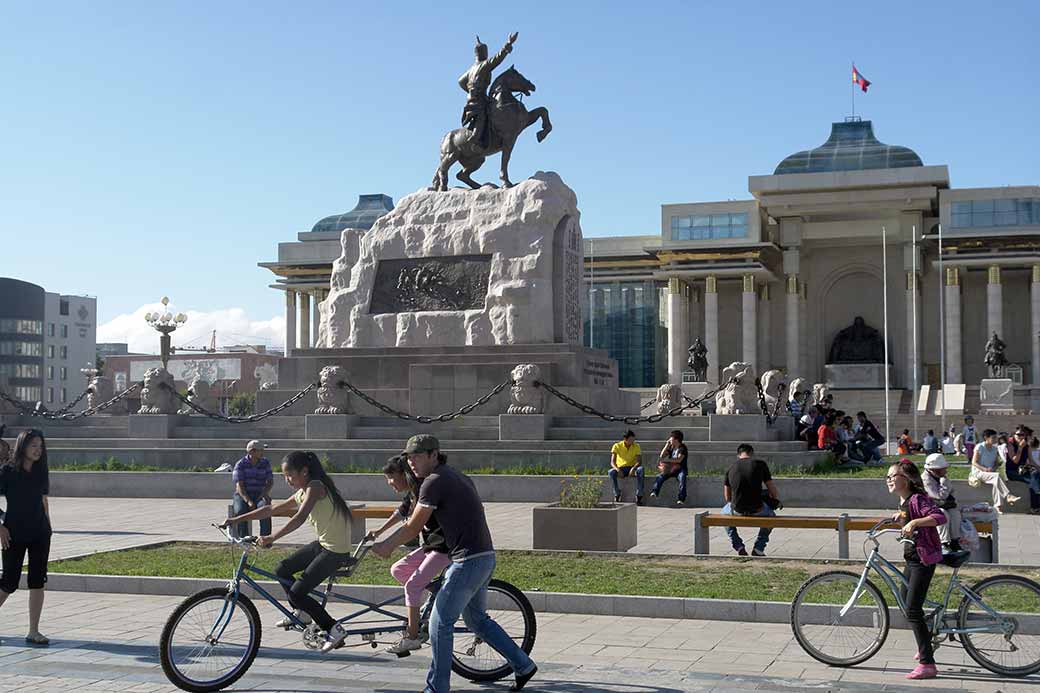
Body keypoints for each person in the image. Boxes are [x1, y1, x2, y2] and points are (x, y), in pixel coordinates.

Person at [372, 435, 537, 693]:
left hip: (467, 561)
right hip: (484, 557)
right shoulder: (456, 476)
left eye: (417, 456)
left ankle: (436, 688)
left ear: (434, 454)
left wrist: (386, 546)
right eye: (409, 457)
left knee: (439, 625)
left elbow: (414, 525)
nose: (412, 462)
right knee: (477, 622)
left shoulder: (434, 481)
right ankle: (523, 665)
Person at [221, 450, 354, 652]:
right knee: (282, 569)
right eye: (284, 476)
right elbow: (271, 509)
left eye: (290, 475)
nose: (287, 480)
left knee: (296, 593)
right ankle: (303, 613)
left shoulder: (315, 487)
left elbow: (299, 517)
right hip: (324, 545)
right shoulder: (303, 491)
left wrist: (272, 537)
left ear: (304, 471)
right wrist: (236, 519)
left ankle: (333, 629)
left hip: (336, 552)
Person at [366, 455, 451, 655]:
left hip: (445, 547)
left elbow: (412, 527)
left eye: (392, 477)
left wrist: (387, 545)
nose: (390, 482)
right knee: (399, 570)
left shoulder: (424, 489)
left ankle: (412, 637)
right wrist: (379, 531)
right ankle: (432, 597)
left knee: (412, 585)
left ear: (405, 474)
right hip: (432, 545)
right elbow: (402, 512)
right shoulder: (414, 491)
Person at [886, 459, 947, 680]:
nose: (888, 480)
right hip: (912, 559)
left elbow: (940, 516)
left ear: (907, 479)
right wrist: (902, 519)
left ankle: (927, 664)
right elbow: (908, 517)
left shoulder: (917, 498)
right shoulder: (905, 501)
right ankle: (926, 641)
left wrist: (914, 523)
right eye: (887, 477)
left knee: (913, 609)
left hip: (923, 560)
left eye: (893, 476)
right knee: (906, 602)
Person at [0, 429, 53, 646]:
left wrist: (48, 526)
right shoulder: (7, 471)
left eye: (40, 446)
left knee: (37, 581)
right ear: (23, 446)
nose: (38, 450)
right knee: (8, 583)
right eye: (33, 445)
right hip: (13, 533)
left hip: (40, 533)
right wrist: (0, 527)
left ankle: (33, 631)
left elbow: (43, 499)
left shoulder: (41, 470)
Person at [722, 444, 780, 557]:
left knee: (723, 514)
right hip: (758, 509)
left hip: (737, 510)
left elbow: (727, 498)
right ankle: (759, 547)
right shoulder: (760, 464)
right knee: (771, 516)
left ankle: (738, 545)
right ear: (752, 454)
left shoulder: (731, 467)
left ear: (738, 455)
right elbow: (774, 493)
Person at [969, 429, 1020, 513]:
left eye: (996, 437)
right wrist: (985, 469)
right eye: (993, 437)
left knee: (997, 480)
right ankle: (1008, 496)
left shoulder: (995, 449)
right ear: (986, 437)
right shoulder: (979, 446)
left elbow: (997, 463)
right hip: (978, 472)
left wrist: (994, 468)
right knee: (997, 476)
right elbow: (974, 462)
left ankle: (998, 506)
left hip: (990, 473)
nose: (996, 439)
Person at [231, 440, 274, 539]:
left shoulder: (265, 462)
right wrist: (248, 501)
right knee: (241, 511)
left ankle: (265, 539)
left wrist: (264, 494)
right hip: (243, 494)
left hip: (259, 493)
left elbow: (270, 482)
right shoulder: (240, 464)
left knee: (265, 509)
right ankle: (244, 539)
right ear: (252, 451)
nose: (263, 452)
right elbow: (239, 486)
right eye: (260, 450)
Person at [922, 453, 961, 551]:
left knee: (955, 513)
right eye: (942, 469)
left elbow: (951, 492)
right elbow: (940, 496)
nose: (945, 471)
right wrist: (944, 483)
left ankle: (955, 541)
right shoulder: (926, 479)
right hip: (928, 507)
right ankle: (944, 543)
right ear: (934, 469)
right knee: (942, 514)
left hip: (941, 505)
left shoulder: (941, 477)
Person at [1005, 429, 1040, 514]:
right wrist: (1020, 448)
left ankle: (1035, 507)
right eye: (1018, 435)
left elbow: (1031, 461)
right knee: (1033, 481)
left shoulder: (1027, 446)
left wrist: (1039, 468)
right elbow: (1015, 461)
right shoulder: (1010, 445)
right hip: (1012, 472)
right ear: (1014, 435)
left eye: (1023, 435)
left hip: (1023, 471)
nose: (1021, 437)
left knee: (1036, 475)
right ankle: (1035, 507)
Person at [649, 430, 688, 504]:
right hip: (670, 469)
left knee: (682, 478)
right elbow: (662, 455)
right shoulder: (671, 447)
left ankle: (681, 498)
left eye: (671, 438)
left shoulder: (682, 448)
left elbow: (679, 460)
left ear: (676, 439)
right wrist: (666, 445)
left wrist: (667, 461)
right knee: (660, 477)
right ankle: (655, 491)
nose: (670, 439)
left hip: (680, 469)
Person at [608, 430, 644, 505]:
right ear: (625, 439)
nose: (632, 441)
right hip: (621, 468)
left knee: (641, 469)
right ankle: (617, 493)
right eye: (631, 440)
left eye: (633, 439)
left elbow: (639, 461)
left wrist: (633, 468)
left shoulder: (636, 446)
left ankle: (639, 495)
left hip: (632, 467)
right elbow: (612, 462)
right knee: (611, 472)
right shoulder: (617, 446)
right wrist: (618, 470)